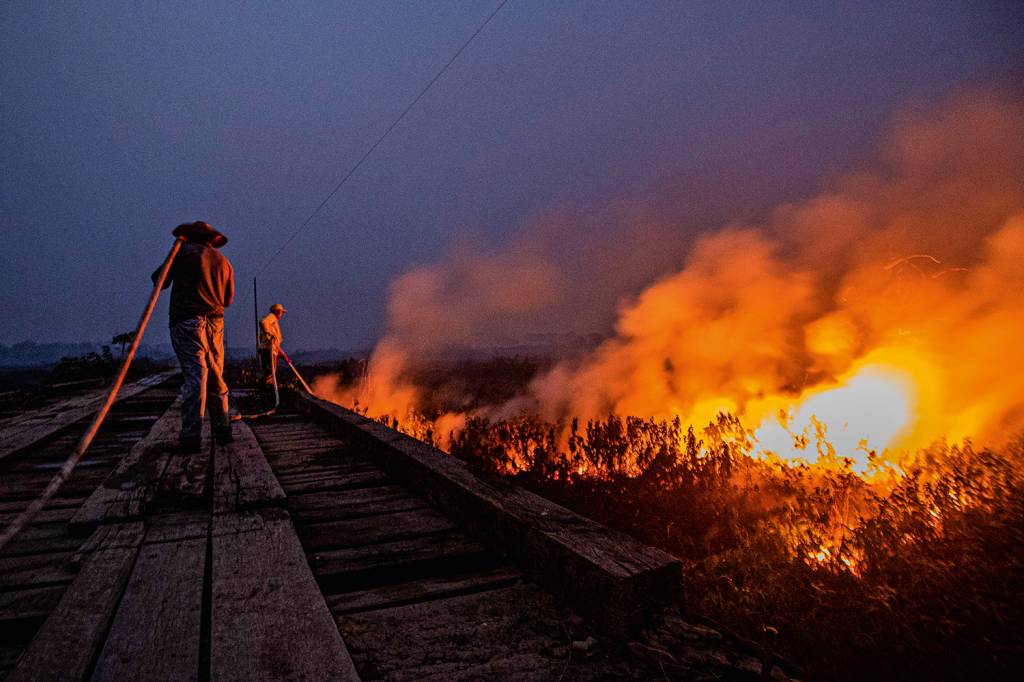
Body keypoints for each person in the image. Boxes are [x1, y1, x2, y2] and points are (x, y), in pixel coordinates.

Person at [153, 221, 234, 451]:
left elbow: (160, 280)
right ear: (211, 239)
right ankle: (223, 429)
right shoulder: (224, 261)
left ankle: (190, 437)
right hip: (216, 322)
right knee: (216, 375)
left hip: (188, 321)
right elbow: (227, 301)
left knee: (196, 376)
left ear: (190, 236)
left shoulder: (184, 253)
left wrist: (176, 250)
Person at [258, 303, 286, 401]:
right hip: (267, 350)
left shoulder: (274, 322)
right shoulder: (271, 317)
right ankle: (268, 396)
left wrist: (282, 354)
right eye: (281, 312)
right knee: (269, 374)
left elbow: (276, 344)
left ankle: (268, 394)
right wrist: (270, 335)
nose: (281, 315)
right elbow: (262, 322)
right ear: (278, 312)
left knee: (270, 373)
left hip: (271, 350)